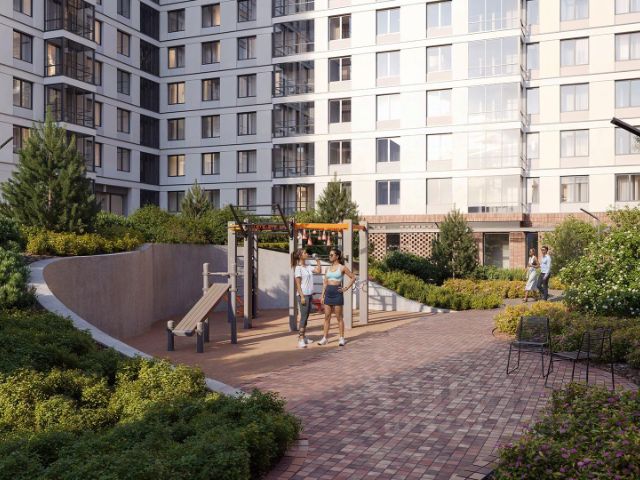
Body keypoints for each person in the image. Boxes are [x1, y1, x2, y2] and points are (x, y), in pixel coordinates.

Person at [318, 248, 356, 347]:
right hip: (328, 294)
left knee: (339, 317)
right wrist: (322, 296)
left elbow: (353, 277)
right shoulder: (327, 268)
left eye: (331, 255)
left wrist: (345, 288)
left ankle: (341, 338)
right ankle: (325, 338)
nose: (330, 256)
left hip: (337, 293)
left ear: (337, 256)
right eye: (329, 255)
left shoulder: (342, 267)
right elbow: (325, 282)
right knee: (327, 317)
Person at [292, 248, 322, 348]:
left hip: (309, 294)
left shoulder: (308, 267)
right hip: (303, 295)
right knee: (303, 317)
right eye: (305, 253)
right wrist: (302, 296)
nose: (307, 254)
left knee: (306, 316)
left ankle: (304, 337)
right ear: (300, 256)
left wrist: (318, 261)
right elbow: (298, 284)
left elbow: (318, 271)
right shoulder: (298, 268)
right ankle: (300, 339)